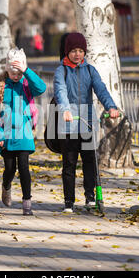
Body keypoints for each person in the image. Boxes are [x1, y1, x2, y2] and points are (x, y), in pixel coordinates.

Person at [53, 32, 120, 213]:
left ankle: (90, 197)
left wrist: (111, 107)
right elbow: (60, 91)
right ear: (67, 52)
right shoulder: (62, 71)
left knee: (90, 161)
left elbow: (101, 89)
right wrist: (65, 109)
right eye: (74, 50)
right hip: (68, 121)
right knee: (69, 163)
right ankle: (69, 201)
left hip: (88, 122)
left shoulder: (90, 70)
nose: (77, 54)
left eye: (81, 51)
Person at [0, 48, 46, 215]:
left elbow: (41, 88)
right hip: (5, 135)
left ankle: (27, 202)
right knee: (10, 168)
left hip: (24, 133)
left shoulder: (26, 84)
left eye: (18, 72)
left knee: (24, 167)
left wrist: (26, 71)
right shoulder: (0, 87)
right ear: (7, 69)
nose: (16, 76)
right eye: (13, 72)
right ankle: (6, 186)